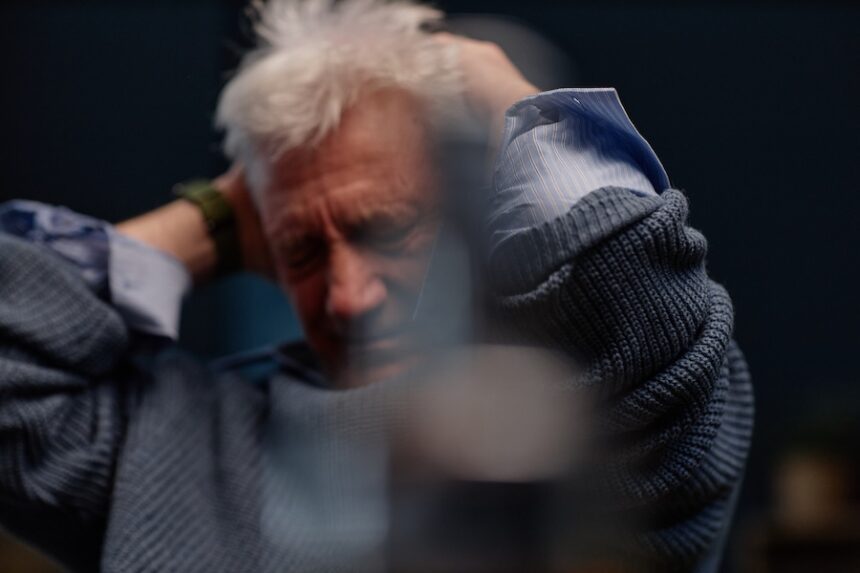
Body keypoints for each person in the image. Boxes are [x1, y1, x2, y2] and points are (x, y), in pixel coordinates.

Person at [0, 0, 753, 571]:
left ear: (477, 207)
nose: (348, 297)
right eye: (300, 249)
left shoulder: (575, 413)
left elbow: (638, 292)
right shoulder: (172, 433)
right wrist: (223, 209)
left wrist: (492, 90)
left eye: (384, 230)